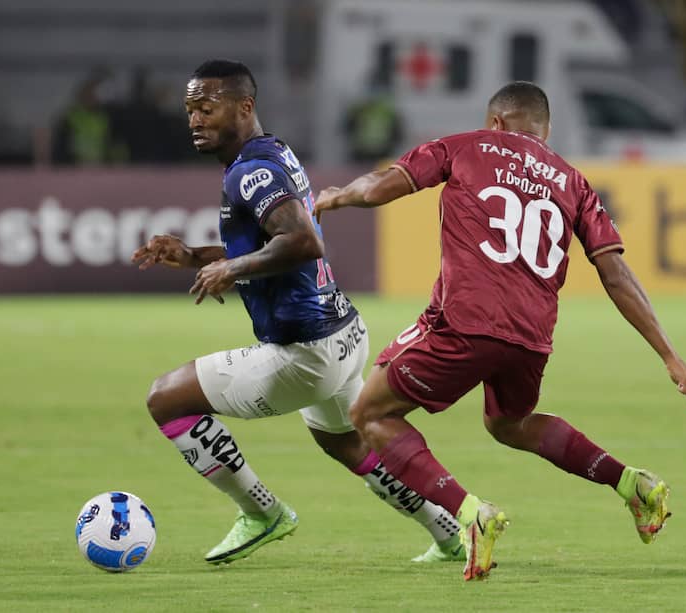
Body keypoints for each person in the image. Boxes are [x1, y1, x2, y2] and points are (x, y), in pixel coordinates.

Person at [313, 81, 686, 581]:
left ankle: (469, 512)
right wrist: (670, 356)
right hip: (531, 338)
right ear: (545, 129)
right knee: (508, 424)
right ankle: (633, 484)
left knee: (369, 412)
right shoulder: (573, 181)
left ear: (495, 122)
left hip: (465, 323)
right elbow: (616, 274)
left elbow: (377, 187)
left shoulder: (465, 146)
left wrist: (337, 196)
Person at [131, 59, 463, 565]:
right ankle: (446, 530)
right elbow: (279, 241)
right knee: (346, 444)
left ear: (245, 106)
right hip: (344, 334)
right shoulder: (274, 153)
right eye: (190, 109)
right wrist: (197, 257)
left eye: (207, 107)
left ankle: (262, 513)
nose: (195, 119)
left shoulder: (252, 171)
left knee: (165, 399)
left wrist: (233, 270)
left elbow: (303, 242)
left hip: (304, 352)